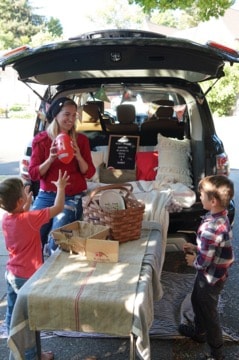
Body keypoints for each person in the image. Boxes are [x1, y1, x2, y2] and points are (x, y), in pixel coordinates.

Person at [0, 170, 70, 360]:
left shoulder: (6, 219)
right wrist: (61, 188)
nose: (27, 192)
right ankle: (32, 356)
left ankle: (15, 351)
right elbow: (58, 207)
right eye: (24, 192)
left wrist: (26, 205)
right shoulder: (30, 219)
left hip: (12, 275)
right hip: (28, 279)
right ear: (19, 202)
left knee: (14, 318)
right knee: (31, 321)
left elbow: (21, 220)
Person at [29, 97, 95, 254]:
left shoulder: (81, 140)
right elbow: (33, 174)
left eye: (74, 115)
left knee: (56, 239)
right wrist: (50, 159)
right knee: (33, 233)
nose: (71, 119)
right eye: (67, 114)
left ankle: (53, 271)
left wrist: (78, 156)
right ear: (56, 115)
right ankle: (35, 273)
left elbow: (90, 173)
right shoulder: (41, 140)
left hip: (72, 196)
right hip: (47, 196)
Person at [179, 175, 234, 360]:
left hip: (210, 277)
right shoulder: (219, 217)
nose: (199, 197)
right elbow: (212, 247)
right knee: (196, 300)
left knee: (209, 314)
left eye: (201, 195)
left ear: (213, 201)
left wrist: (193, 260)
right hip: (211, 273)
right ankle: (199, 333)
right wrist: (197, 247)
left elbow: (204, 261)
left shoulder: (212, 227)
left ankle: (217, 353)